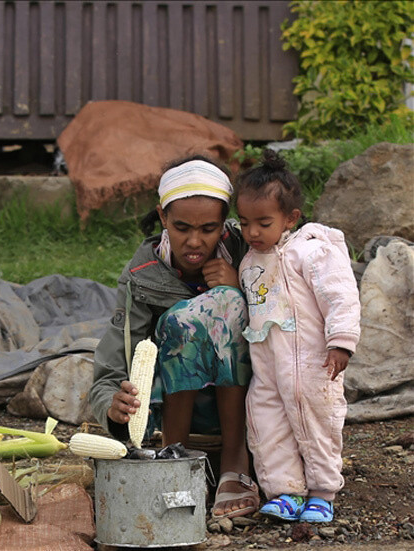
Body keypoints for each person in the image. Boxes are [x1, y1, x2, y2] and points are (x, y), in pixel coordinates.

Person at [88, 155, 259, 519]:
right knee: (185, 321)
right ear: (163, 217)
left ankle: (234, 459)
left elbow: (290, 322)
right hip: (180, 409)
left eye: (209, 229)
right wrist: (112, 409)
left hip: (248, 405)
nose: (194, 241)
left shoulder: (252, 250)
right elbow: (109, 369)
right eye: (181, 227)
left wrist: (241, 288)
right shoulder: (141, 276)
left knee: (225, 301)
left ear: (225, 221)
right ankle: (173, 453)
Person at [235, 150, 361, 523]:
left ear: (290, 218)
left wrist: (340, 342)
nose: (252, 232)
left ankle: (323, 491)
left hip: (311, 364)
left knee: (317, 422)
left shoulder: (312, 251)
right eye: (244, 223)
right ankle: (285, 491)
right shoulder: (249, 262)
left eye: (262, 222)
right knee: (267, 423)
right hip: (268, 367)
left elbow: (340, 294)